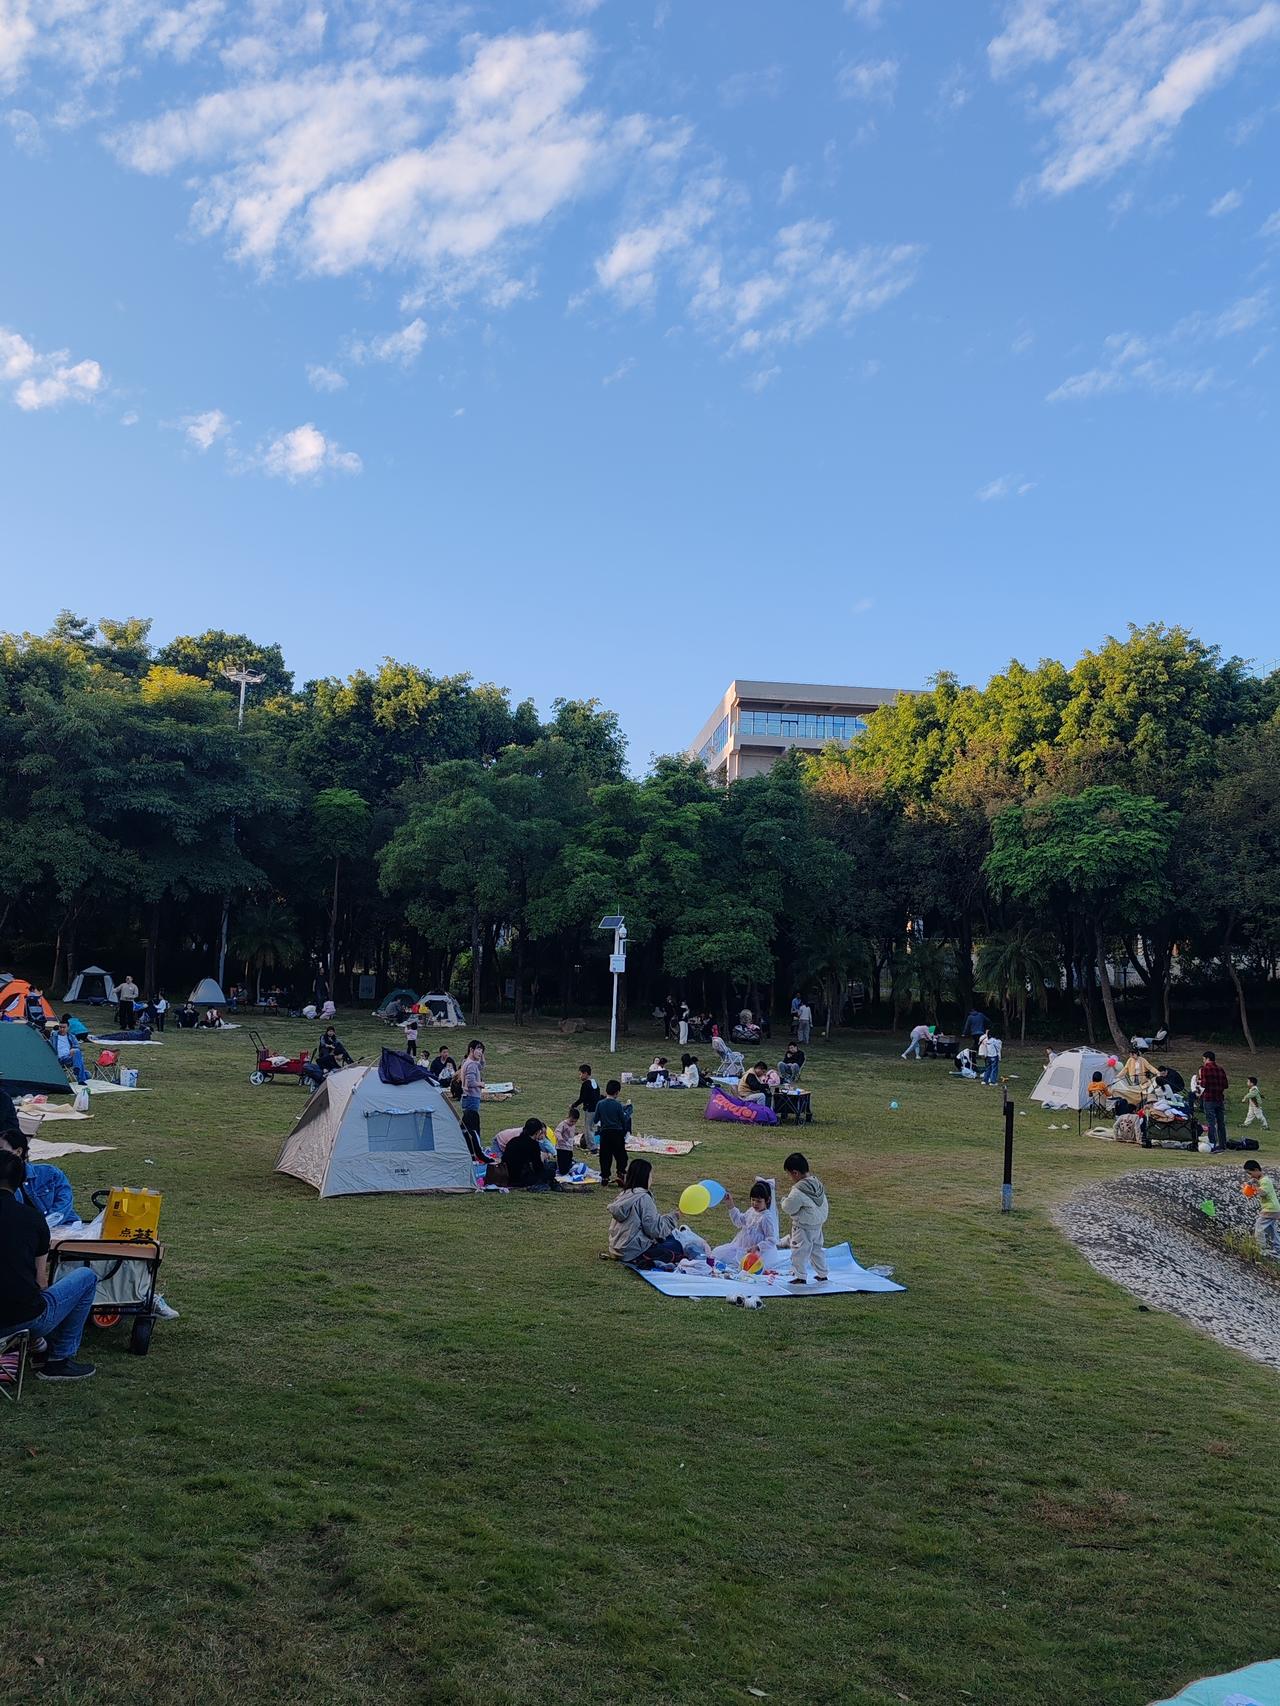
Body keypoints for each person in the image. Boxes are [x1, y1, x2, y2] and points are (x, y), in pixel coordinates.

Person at [0, 1148, 97, 1381]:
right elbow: (40, 1281)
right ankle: (58, 1360)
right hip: (21, 1318)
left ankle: (32, 1346)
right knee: (86, 1277)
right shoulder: (33, 1219)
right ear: (20, 1183)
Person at [607, 1160, 684, 1265]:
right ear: (645, 1177)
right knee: (676, 1245)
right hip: (633, 1251)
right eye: (650, 1175)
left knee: (668, 1237)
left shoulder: (624, 1194)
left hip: (617, 1249)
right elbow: (654, 1229)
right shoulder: (643, 1198)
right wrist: (674, 1217)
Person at [0, 1130, 78, 1227]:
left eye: (0, 1149)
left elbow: (64, 1203)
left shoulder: (50, 1173)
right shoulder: (3, 1179)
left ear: (18, 1151)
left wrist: (42, 1225)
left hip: (63, 1227)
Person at [780, 1152, 829, 1285]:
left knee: (799, 1252)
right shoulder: (817, 1183)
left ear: (795, 1173)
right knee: (817, 1250)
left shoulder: (798, 1191)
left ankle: (800, 1276)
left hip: (802, 1227)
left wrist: (783, 1200)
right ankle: (823, 1274)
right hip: (817, 1225)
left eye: (789, 1174)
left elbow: (789, 1207)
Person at [711, 1180, 779, 1270]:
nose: (755, 1203)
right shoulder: (751, 1211)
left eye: (759, 1201)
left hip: (755, 1252)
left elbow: (771, 1240)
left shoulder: (766, 1218)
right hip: (742, 1247)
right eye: (753, 1200)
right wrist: (730, 1205)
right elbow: (739, 1221)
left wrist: (758, 1247)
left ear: (767, 1200)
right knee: (717, 1252)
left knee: (747, 1265)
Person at [594, 1079, 630, 1188]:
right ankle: (620, 1173)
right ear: (617, 1092)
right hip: (617, 1133)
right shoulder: (618, 1105)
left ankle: (605, 1177)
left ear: (606, 1091)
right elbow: (623, 1120)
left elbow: (595, 1119)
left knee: (605, 1156)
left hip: (605, 1133)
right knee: (621, 1155)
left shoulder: (600, 1104)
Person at [502, 1118, 556, 1189]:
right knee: (551, 1172)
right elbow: (538, 1167)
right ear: (537, 1132)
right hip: (521, 1179)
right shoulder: (533, 1145)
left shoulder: (513, 1140)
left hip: (507, 1177)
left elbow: (504, 1159)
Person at [458, 1040, 486, 1161]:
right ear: (471, 1049)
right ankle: (474, 1151)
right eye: (478, 1049)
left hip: (468, 1098)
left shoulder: (469, 1062)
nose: (480, 1052)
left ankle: (471, 1149)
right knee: (472, 1128)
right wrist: (480, 1084)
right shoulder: (471, 1064)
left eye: (482, 1050)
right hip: (471, 1098)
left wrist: (481, 1056)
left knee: (466, 1126)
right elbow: (470, 1083)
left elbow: (481, 1066)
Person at [1199, 1050, 1229, 1150]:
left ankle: (1212, 1143)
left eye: (1204, 1059)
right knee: (1221, 1122)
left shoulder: (1204, 1069)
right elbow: (1226, 1085)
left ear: (1207, 1058)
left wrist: (1200, 1081)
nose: (1203, 1061)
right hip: (1219, 1098)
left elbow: (1204, 1084)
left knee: (1210, 1122)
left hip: (1209, 1098)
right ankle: (1223, 1144)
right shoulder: (1221, 1069)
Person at [571, 1064, 602, 1148]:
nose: (580, 1076)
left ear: (585, 1073)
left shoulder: (585, 1084)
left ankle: (592, 1147)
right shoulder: (594, 1082)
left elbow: (582, 1098)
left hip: (590, 1109)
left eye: (581, 1074)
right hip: (596, 1108)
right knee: (591, 1127)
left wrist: (574, 1105)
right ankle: (589, 1144)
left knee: (589, 1128)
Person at [53, 1017, 89, 1085]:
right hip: (58, 1059)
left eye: (64, 1027)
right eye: (60, 1027)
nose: (62, 1029)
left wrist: (73, 1049)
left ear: (68, 1028)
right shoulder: (54, 1035)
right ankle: (81, 1077)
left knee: (77, 1052)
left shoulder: (71, 1036)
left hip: (69, 1058)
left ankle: (77, 1069)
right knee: (80, 1059)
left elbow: (77, 1046)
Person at [554, 1109, 579, 1175]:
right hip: (561, 1147)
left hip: (569, 1147)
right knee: (562, 1162)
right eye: (571, 1121)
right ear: (568, 1117)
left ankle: (568, 1167)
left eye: (575, 1122)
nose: (573, 1123)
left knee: (568, 1160)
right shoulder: (563, 1124)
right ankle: (561, 1171)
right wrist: (560, 1138)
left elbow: (571, 1134)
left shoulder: (573, 1125)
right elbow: (557, 1131)